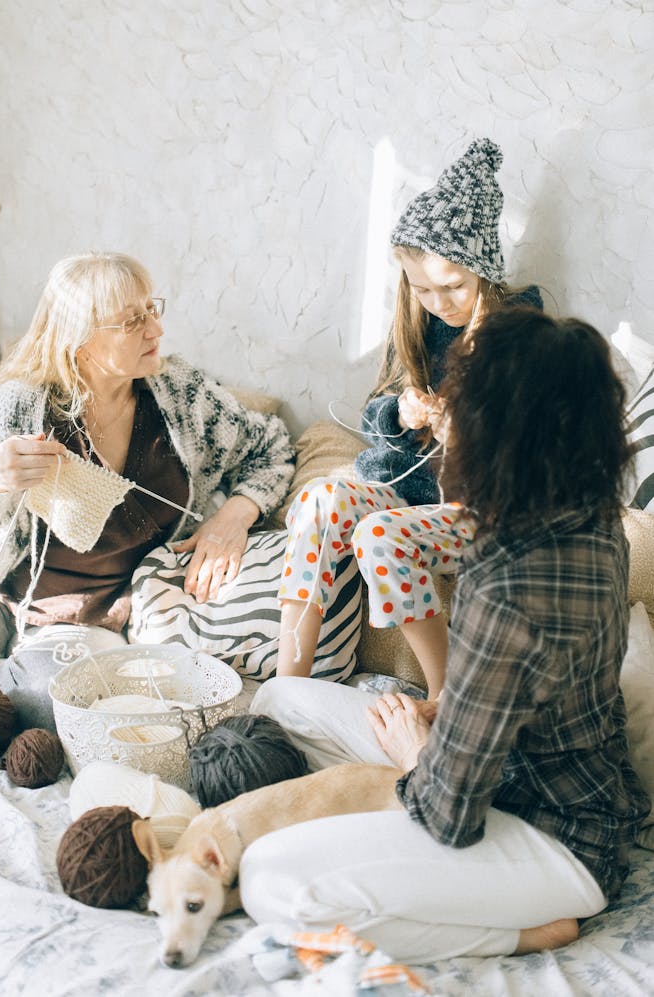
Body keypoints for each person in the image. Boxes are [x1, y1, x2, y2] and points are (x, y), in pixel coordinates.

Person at [243, 305, 651, 962]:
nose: (446, 420)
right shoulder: (586, 510)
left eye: (460, 407)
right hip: (500, 768)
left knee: (270, 879)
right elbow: (510, 694)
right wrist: (448, 713)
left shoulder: (515, 590)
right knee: (276, 702)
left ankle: (522, 930)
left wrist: (416, 745)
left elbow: (448, 815)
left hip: (548, 836)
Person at [0, 252, 295, 730]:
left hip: (92, 615)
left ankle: (9, 677)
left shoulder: (182, 395)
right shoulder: (14, 409)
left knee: (57, 714)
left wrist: (234, 515)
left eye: (154, 309)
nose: (157, 330)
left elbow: (270, 446)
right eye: (133, 320)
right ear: (80, 338)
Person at [277, 138, 541, 696]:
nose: (439, 302)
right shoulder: (414, 327)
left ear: (485, 274)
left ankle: (445, 693)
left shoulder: (522, 331)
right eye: (422, 289)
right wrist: (399, 413)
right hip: (405, 494)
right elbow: (377, 429)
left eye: (454, 288)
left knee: (379, 535)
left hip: (481, 509)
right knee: (319, 499)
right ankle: (287, 686)